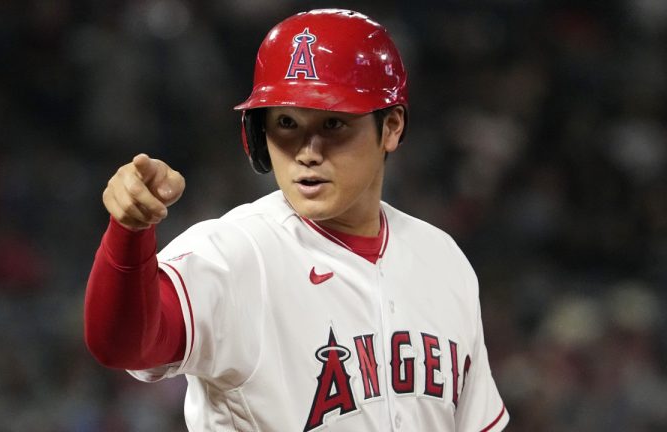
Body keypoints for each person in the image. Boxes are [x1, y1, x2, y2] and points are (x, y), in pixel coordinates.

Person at [84, 8, 508, 432]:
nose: (308, 150)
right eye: (286, 123)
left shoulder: (443, 260)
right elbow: (121, 344)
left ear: (391, 126)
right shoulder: (235, 252)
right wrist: (129, 234)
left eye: (334, 123)